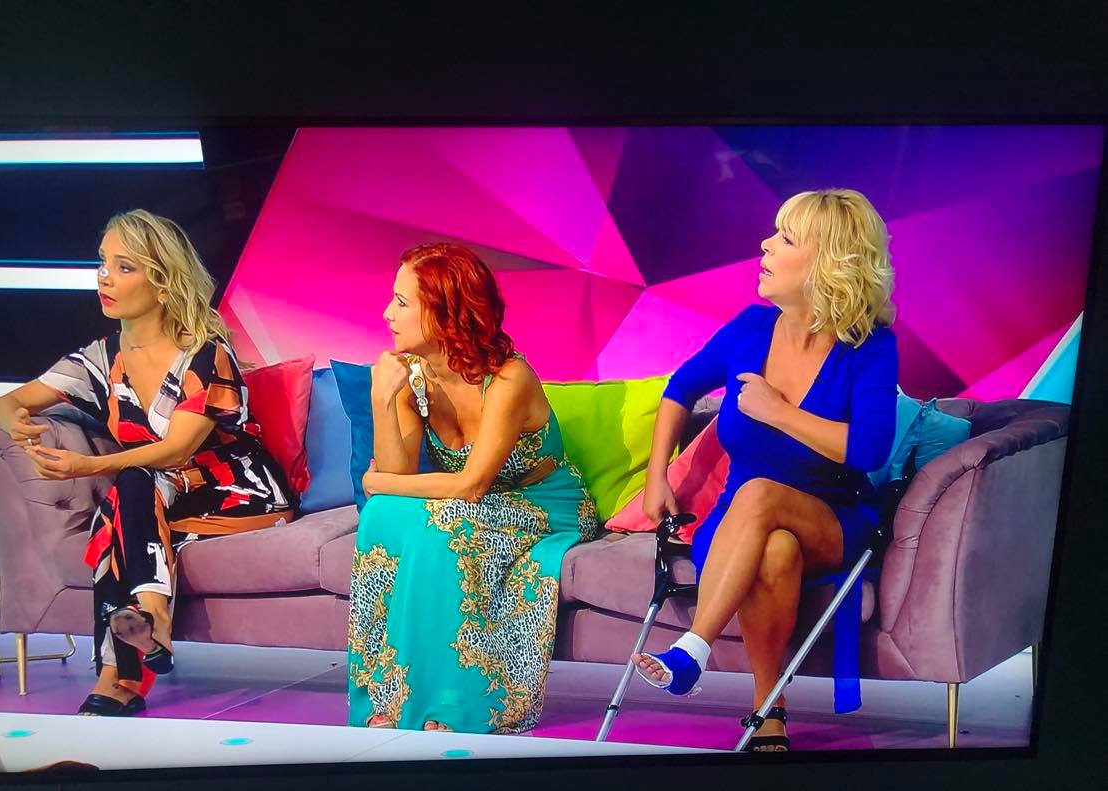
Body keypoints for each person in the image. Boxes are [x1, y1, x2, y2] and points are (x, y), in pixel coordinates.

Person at [0, 210, 293, 716]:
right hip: (157, 494)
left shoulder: (204, 354)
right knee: (127, 500)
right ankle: (148, 624)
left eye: (124, 267)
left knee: (123, 502)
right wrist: (12, 420)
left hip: (237, 490)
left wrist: (81, 467)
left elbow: (176, 450)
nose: (104, 277)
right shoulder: (100, 359)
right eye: (102, 263)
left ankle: (121, 673)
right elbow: (7, 402)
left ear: (164, 283)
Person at [633, 189, 899, 751]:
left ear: (827, 260)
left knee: (760, 495)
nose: (765, 245)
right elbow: (680, 387)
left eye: (786, 238)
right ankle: (767, 713)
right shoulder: (750, 329)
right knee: (773, 547)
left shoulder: (870, 347)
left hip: (833, 518)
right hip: (740, 523)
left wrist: (779, 412)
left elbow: (870, 449)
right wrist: (657, 476)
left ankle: (693, 649)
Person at [348, 242, 598, 733]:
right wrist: (382, 399)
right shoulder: (414, 378)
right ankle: (389, 697)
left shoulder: (509, 378)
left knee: (444, 523)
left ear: (444, 313)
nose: (387, 313)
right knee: (380, 516)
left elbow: (470, 485)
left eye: (402, 302)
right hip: (478, 504)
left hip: (544, 504)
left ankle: (452, 704)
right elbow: (396, 480)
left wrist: (374, 480)